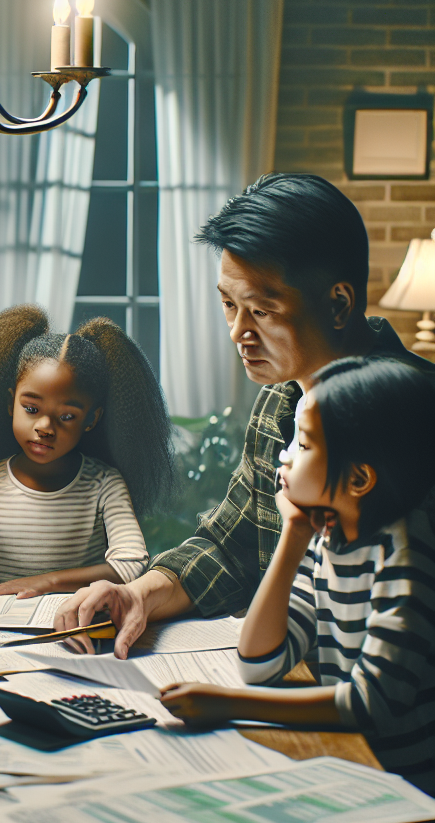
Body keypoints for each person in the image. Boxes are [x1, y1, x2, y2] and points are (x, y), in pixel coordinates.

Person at [55, 172, 435, 655]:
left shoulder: (415, 414)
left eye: (262, 310)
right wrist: (137, 594)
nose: (238, 332)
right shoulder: (281, 399)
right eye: (229, 305)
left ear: (338, 303)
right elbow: (230, 547)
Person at [160, 357, 435, 823]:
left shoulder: (407, 559)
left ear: (358, 480)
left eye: (303, 444)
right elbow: (259, 664)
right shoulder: (328, 536)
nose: (284, 456)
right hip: (351, 775)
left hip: (410, 810)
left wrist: (225, 705)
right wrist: (293, 533)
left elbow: (368, 706)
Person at [0, 306, 175, 595]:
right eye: (31, 409)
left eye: (66, 417)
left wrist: (47, 582)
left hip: (77, 628)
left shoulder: (105, 484)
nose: (45, 427)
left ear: (91, 419)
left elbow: (131, 563)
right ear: (11, 403)